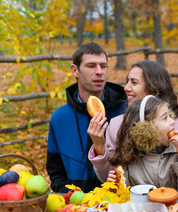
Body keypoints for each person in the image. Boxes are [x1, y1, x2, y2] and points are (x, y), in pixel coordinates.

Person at [88, 60, 178, 186]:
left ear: (154, 87)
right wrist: (99, 146)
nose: (126, 88)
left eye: (134, 82)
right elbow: (111, 179)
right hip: (136, 203)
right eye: (127, 81)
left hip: (177, 202)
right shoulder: (117, 125)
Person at [46, 42, 127, 193]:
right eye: (91, 66)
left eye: (103, 66)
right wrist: (67, 195)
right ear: (75, 70)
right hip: (76, 206)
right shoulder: (59, 118)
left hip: (120, 205)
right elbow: (55, 168)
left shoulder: (125, 112)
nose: (99, 72)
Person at [107, 95, 178, 199]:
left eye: (170, 116)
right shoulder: (129, 157)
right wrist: (115, 187)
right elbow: (124, 200)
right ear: (146, 128)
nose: (173, 121)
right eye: (165, 118)